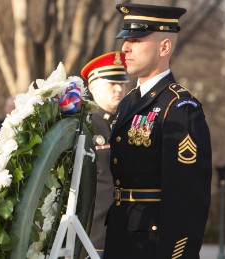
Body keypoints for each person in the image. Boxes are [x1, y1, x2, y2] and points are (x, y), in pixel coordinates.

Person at [104, 4, 212, 259]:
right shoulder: (129, 102)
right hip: (122, 236)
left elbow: (187, 198)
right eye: (125, 39)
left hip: (155, 244)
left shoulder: (180, 108)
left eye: (137, 40)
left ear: (164, 47)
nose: (125, 48)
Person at [80, 51, 129, 258]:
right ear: (92, 86)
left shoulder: (130, 124)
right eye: (112, 83)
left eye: (122, 83)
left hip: (128, 236)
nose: (119, 89)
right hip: (93, 238)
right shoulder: (83, 127)